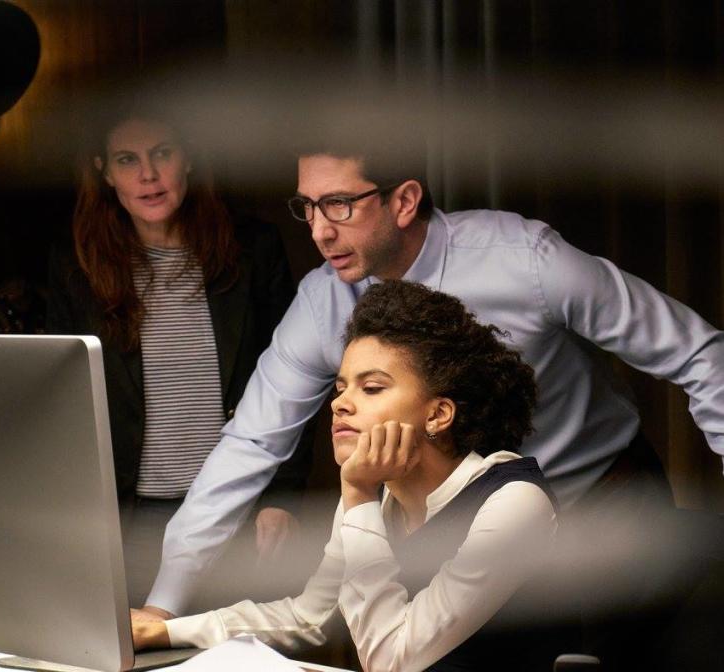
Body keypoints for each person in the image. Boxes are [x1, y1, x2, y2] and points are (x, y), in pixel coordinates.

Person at [135, 130, 724, 623]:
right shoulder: (322, 303)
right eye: (307, 206)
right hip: (452, 540)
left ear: (405, 200)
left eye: (339, 204)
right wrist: (164, 605)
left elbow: (698, 354)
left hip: (597, 504)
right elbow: (250, 442)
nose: (318, 230)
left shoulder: (525, 259)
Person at [134, 280, 572, 672]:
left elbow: (391, 660)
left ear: (438, 414)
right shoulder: (372, 497)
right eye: (341, 387)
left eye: (372, 388)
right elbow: (312, 616)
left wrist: (359, 495)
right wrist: (167, 631)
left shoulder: (514, 501)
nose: (340, 404)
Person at [47, 109, 312, 606]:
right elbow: (63, 402)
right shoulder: (76, 267)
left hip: (237, 508)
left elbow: (296, 379)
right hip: (130, 517)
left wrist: (282, 498)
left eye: (162, 154)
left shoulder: (251, 250)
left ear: (187, 159)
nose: (148, 175)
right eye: (128, 160)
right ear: (105, 171)